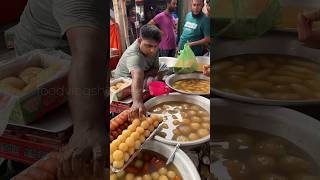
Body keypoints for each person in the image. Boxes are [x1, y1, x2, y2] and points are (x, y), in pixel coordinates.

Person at [14, 0, 107, 178]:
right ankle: (19, 165)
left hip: (70, 53)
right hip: (43, 59)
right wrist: (87, 128)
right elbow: (86, 52)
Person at [114, 24, 163, 117]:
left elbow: (156, 69)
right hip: (125, 82)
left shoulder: (154, 48)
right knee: (151, 81)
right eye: (149, 46)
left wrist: (144, 74)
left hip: (142, 74)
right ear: (140, 40)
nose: (152, 50)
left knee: (162, 71)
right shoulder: (134, 55)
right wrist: (137, 102)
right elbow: (137, 76)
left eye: (155, 46)